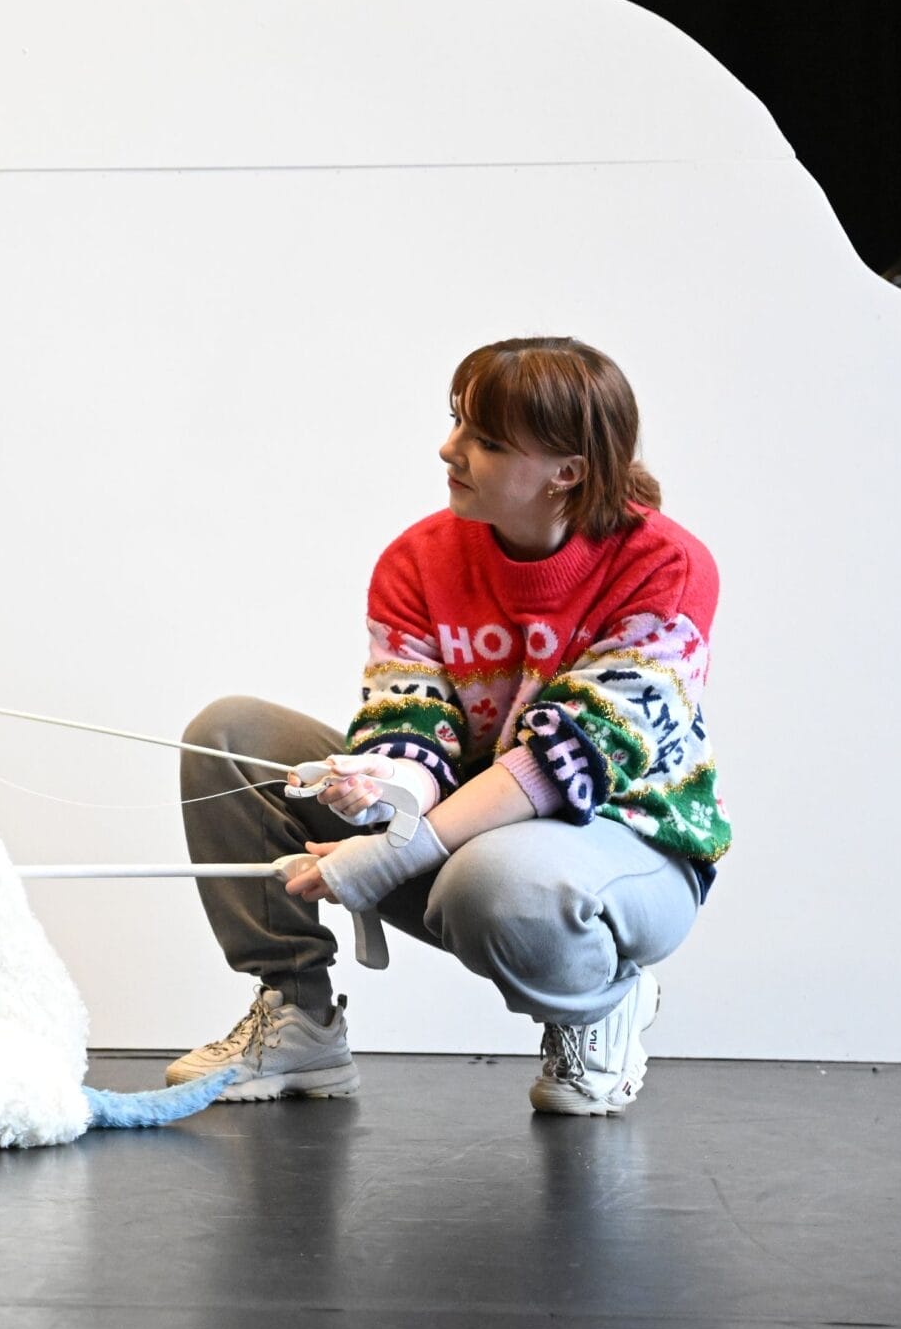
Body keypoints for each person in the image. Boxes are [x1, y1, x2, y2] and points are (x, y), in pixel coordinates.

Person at [167, 336, 726, 1116]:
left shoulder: (666, 568)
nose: (448, 448)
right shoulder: (418, 560)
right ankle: (300, 1021)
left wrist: (402, 847)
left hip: (628, 847)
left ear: (567, 472)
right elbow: (410, 723)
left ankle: (602, 1005)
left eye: (486, 441)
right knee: (228, 738)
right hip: (471, 827)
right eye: (458, 421)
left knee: (494, 881)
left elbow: (566, 761)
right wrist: (381, 787)